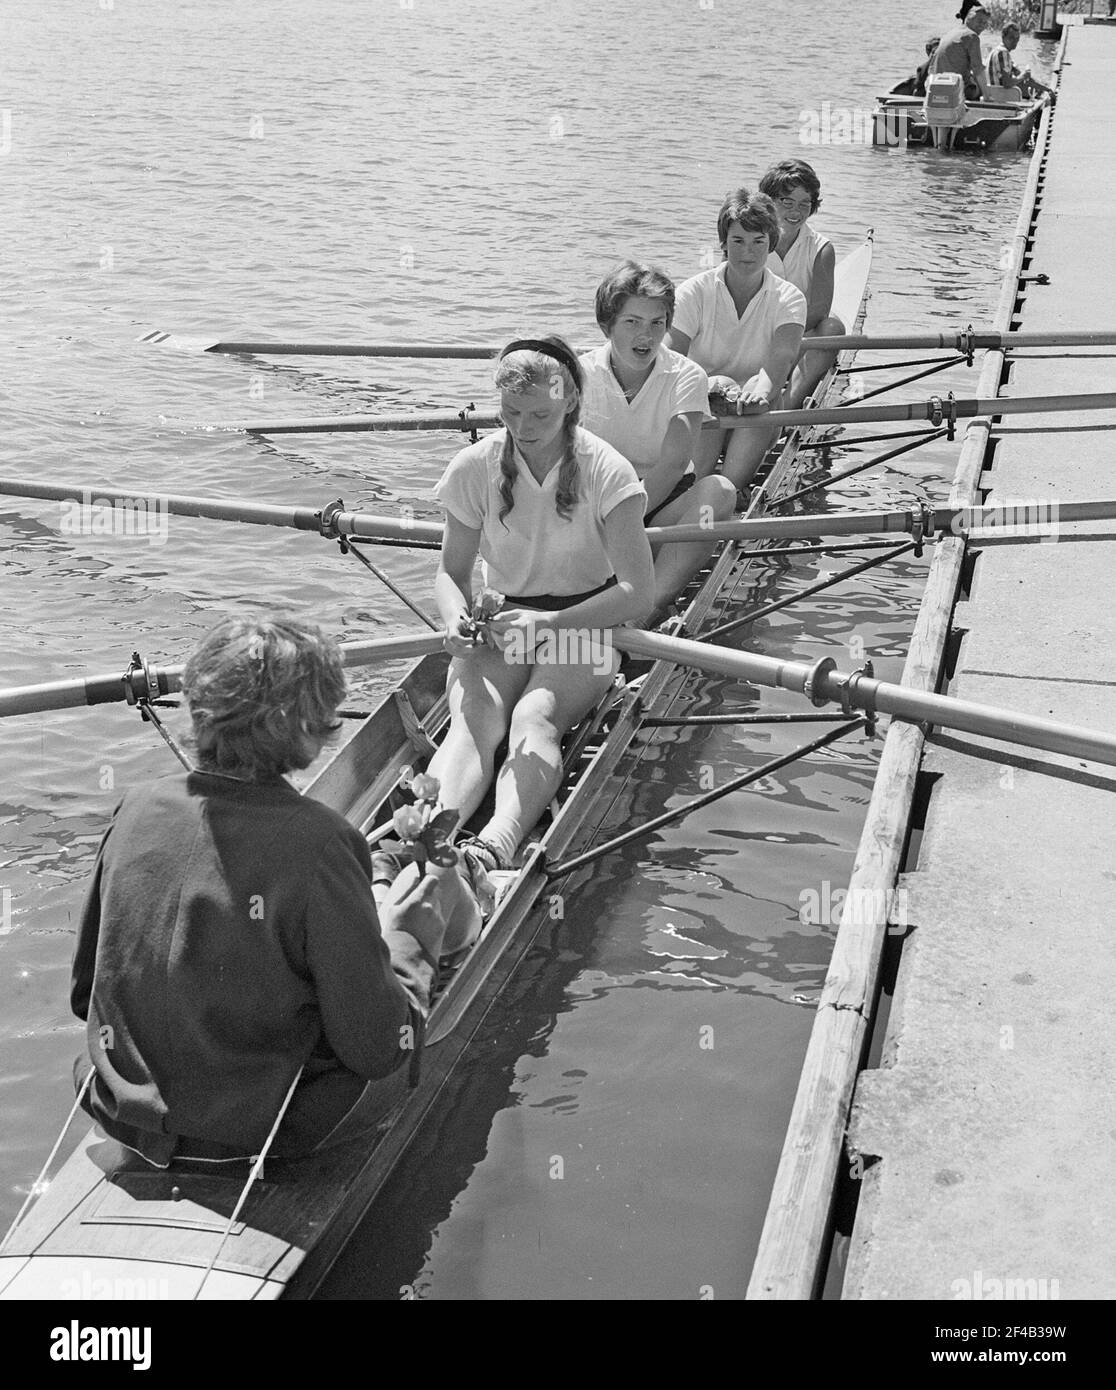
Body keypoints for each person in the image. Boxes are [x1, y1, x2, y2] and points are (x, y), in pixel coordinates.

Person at [71, 616, 481, 1168]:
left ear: (198, 708)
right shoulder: (322, 843)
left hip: (112, 1106)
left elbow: (84, 996)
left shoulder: (134, 808)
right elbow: (379, 1048)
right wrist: (410, 938)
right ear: (311, 730)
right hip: (267, 1134)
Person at [427, 336, 654, 876]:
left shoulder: (609, 471)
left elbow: (637, 593)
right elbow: (449, 575)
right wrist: (454, 620)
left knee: (535, 718)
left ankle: (493, 847)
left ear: (572, 399)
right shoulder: (473, 467)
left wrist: (551, 622)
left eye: (540, 415)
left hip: (589, 618)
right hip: (502, 619)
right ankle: (426, 843)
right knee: (476, 721)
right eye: (510, 414)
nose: (524, 428)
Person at [578, 261, 736, 612]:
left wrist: (624, 525)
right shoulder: (580, 374)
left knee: (719, 492)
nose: (645, 337)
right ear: (607, 326)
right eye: (632, 322)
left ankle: (645, 609)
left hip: (663, 504)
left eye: (657, 324)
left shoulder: (687, 375)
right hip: (599, 506)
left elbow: (674, 463)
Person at [668, 188, 806, 496]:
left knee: (758, 387)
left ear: (771, 244)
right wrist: (709, 388)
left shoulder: (790, 298)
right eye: (738, 241)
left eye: (759, 242)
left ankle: (725, 492)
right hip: (699, 410)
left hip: (755, 416)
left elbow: (782, 356)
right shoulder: (693, 292)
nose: (748, 252)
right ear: (723, 245)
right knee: (717, 382)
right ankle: (696, 494)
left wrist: (759, 395)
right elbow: (669, 358)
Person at [759, 159, 844, 410]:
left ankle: (786, 409)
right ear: (768, 202)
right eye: (786, 202)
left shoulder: (822, 249)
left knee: (833, 328)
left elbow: (818, 312)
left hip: (795, 341)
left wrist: (781, 336)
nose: (795, 212)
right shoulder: (747, 241)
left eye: (804, 204)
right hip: (751, 336)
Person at [931, 3, 992, 101]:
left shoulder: (953, 32)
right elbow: (978, 70)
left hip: (936, 86)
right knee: (982, 87)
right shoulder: (972, 36)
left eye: (985, 23)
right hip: (957, 89)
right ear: (969, 19)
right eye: (979, 21)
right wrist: (987, 97)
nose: (982, 26)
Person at [986, 21, 1051, 99]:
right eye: (1011, 38)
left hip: (998, 94)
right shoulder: (1002, 53)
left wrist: (1046, 88)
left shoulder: (1000, 52)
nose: (1015, 41)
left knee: (1035, 89)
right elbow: (1007, 83)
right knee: (1032, 93)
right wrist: (1023, 76)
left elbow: (1025, 78)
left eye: (1017, 38)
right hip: (999, 96)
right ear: (1003, 37)